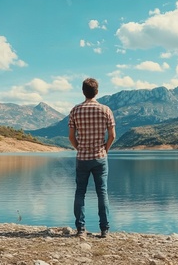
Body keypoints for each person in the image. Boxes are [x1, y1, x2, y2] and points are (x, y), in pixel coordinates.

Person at [68, 78, 116, 238]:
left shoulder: (75, 110)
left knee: (80, 192)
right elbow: (112, 136)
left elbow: (71, 137)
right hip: (100, 157)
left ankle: (81, 229)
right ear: (97, 91)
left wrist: (79, 148)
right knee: (102, 192)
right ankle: (104, 230)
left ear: (83, 92)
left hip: (82, 157)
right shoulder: (106, 110)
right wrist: (105, 150)